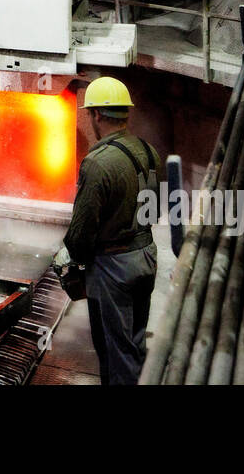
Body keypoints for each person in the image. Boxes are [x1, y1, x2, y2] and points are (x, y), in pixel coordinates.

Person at [56, 76, 160, 385]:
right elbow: (153, 208)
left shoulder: (98, 164)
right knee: (134, 344)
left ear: (97, 115)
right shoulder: (149, 151)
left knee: (115, 352)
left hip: (113, 268)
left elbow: (82, 231)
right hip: (146, 257)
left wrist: (68, 256)